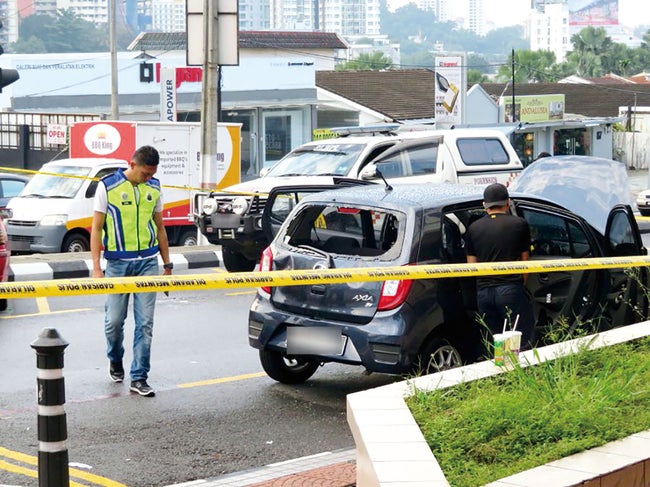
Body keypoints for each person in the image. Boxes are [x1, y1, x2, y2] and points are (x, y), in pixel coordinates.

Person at [90, 145, 172, 397]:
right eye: (144, 173)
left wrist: (167, 265)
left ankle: (139, 377)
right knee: (114, 322)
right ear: (132, 164)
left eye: (152, 174)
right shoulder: (107, 186)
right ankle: (115, 359)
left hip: (148, 262)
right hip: (117, 264)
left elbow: (160, 228)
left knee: (145, 323)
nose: (148, 178)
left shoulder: (154, 187)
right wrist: (96, 267)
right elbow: (96, 228)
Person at [464, 183, 535, 356]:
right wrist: (521, 285)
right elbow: (525, 260)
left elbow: (471, 266)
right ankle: (516, 375)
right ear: (508, 202)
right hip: (511, 289)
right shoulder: (519, 224)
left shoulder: (473, 229)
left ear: (484, 205)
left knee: (493, 340)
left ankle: (498, 374)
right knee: (518, 340)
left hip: (484, 293)